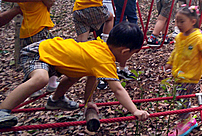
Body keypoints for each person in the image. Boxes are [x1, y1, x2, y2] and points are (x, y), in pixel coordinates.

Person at [0, 22, 150, 129]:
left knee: (76, 73)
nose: (130, 57)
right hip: (38, 52)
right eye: (133, 54)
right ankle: (3, 111)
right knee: (41, 79)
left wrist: (88, 102)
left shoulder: (101, 48)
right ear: (125, 51)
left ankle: (56, 100)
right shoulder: (104, 60)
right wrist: (135, 110)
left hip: (52, 58)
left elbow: (92, 76)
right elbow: (118, 90)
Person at [16, 0, 89, 97]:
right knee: (42, 57)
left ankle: (51, 82)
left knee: (44, 55)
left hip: (28, 32)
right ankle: (36, 85)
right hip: (38, 31)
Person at [165, 6, 202, 136]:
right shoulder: (179, 37)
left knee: (182, 97)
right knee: (180, 97)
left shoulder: (198, 37)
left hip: (190, 75)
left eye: (182, 21)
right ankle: (185, 119)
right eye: (177, 21)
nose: (179, 25)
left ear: (192, 21)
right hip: (178, 73)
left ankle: (187, 121)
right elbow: (176, 51)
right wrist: (170, 62)